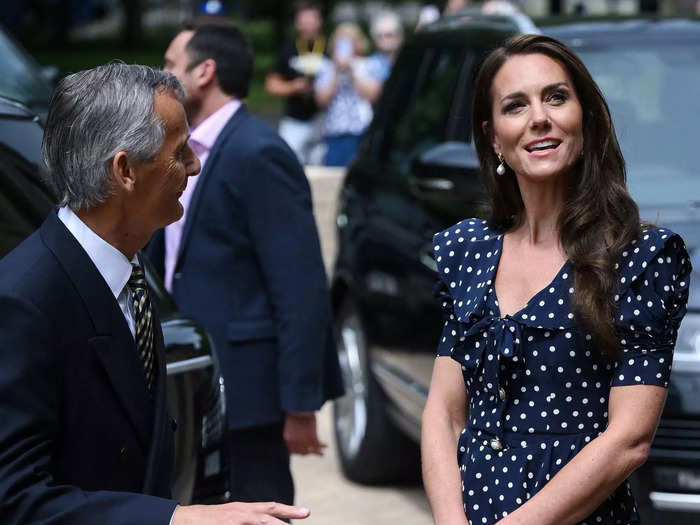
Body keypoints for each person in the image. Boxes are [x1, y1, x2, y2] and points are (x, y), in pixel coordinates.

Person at [0, 63, 310, 525]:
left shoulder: (127, 270)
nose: (195, 165)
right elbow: (16, 499)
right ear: (125, 170)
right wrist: (177, 520)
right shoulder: (23, 300)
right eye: (180, 151)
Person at [421, 34, 692, 525]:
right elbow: (443, 411)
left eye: (556, 97)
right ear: (493, 136)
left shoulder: (640, 257)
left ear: (584, 120)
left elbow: (629, 440)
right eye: (515, 106)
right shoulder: (468, 250)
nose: (539, 118)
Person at [150, 24, 344, 507]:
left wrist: (299, 404)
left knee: (259, 509)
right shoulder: (182, 152)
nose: (161, 75)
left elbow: (299, 285)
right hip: (196, 385)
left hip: (250, 398)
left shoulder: (258, 152)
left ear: (204, 72)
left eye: (171, 65)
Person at [265, 1, 326, 164]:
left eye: (311, 19)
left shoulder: (330, 49)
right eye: (303, 20)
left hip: (324, 122)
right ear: (297, 23)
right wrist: (294, 87)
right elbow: (271, 85)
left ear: (320, 21)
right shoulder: (288, 50)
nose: (308, 24)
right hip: (294, 121)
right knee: (289, 164)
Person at [314, 22, 373, 166]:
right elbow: (321, 100)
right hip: (335, 131)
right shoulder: (326, 67)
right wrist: (336, 71)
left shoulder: (367, 64)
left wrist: (352, 70)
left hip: (361, 130)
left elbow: (371, 95)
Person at [354, 10, 404, 105]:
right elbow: (374, 95)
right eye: (380, 36)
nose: (385, 40)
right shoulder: (370, 64)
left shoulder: (408, 59)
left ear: (399, 36)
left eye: (389, 35)